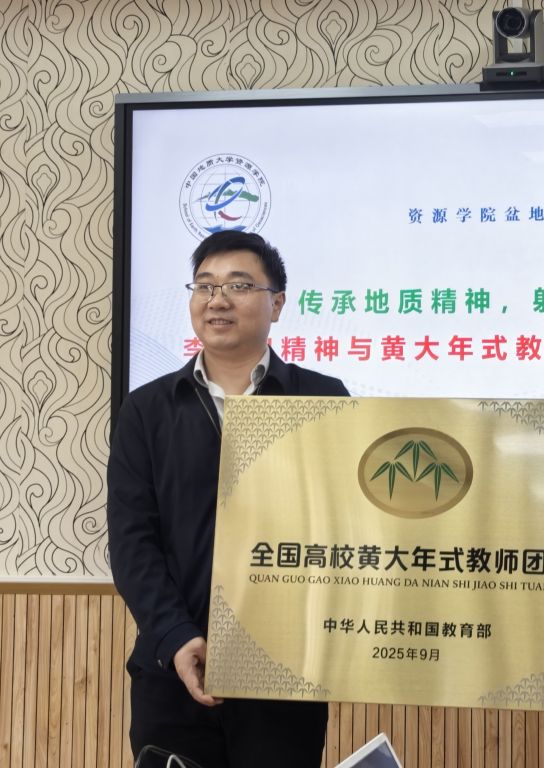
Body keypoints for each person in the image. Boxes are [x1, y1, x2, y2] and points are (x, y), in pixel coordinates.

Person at [109, 230, 344, 767]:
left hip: (284, 676)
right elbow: (132, 542)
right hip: (172, 671)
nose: (217, 300)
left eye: (238, 286)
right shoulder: (147, 410)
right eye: (204, 286)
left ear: (276, 304)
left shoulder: (323, 399)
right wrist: (176, 636)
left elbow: (343, 531)